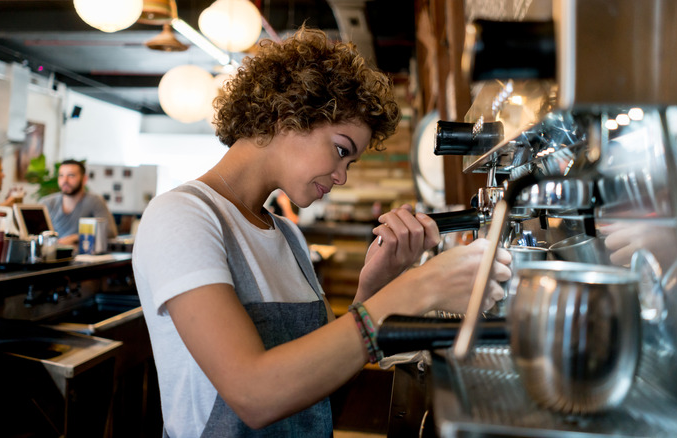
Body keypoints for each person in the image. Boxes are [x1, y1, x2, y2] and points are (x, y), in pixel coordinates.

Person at [132, 27, 512, 437]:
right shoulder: (181, 216)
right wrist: (420, 288)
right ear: (287, 113)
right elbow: (253, 394)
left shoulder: (290, 238)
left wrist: (375, 287)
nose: (342, 176)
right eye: (341, 150)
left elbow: (321, 388)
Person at [39, 159, 118, 246]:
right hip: (52, 254)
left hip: (83, 255)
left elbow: (110, 232)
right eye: (61, 175)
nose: (65, 180)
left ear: (84, 179)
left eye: (71, 175)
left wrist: (76, 237)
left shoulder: (95, 201)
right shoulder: (46, 203)